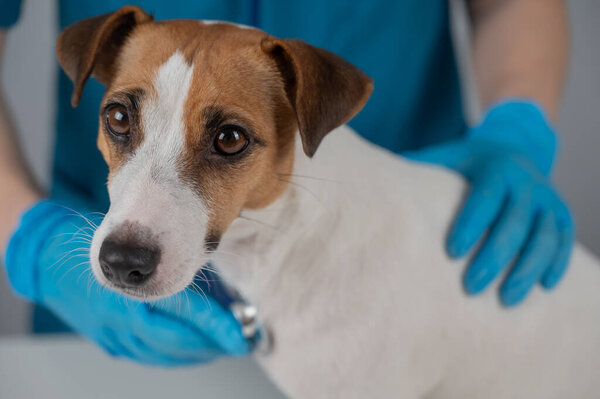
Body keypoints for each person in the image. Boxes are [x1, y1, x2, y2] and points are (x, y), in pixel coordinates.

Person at [0, 0, 573, 366]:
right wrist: (29, 234)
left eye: (225, 142)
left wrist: (515, 128)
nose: (137, 223)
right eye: (122, 120)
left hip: (389, 265)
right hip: (86, 319)